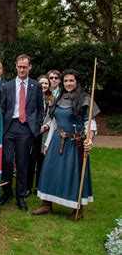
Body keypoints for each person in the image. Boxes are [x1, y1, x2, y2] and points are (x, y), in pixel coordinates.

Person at [32, 69, 99, 220]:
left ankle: (78, 208)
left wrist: (89, 140)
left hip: (75, 142)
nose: (68, 83)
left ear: (77, 82)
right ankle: (47, 204)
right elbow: (55, 122)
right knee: (49, 170)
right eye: (66, 81)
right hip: (56, 140)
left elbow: (90, 123)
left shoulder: (84, 99)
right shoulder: (59, 98)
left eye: (71, 81)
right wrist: (48, 143)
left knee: (74, 174)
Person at [0, 54, 44, 211]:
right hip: (9, 127)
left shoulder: (36, 86)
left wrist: (36, 127)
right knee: (7, 160)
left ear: (30, 67)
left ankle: (20, 196)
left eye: (25, 66)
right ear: (16, 67)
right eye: (19, 66)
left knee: (23, 162)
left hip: (26, 128)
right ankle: (7, 192)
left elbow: (40, 109)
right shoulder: (7, 86)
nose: (22, 69)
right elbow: (3, 107)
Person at [26, 75, 53, 195]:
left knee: (42, 161)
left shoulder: (52, 99)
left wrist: (46, 126)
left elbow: (54, 116)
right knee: (31, 160)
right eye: (41, 83)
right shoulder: (31, 96)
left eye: (46, 83)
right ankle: (28, 187)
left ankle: (39, 186)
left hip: (45, 133)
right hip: (33, 132)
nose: (44, 85)